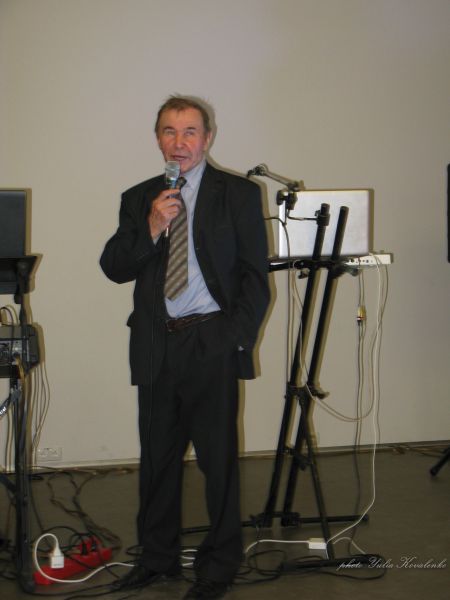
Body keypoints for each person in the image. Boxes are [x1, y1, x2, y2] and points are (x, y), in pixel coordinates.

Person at [100, 95, 270, 600]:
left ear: (208, 137)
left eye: (190, 131)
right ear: (158, 139)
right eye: (170, 132)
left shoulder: (237, 194)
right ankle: (157, 559)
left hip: (209, 340)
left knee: (218, 463)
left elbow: (254, 278)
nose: (180, 142)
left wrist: (232, 337)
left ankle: (218, 567)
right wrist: (153, 227)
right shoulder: (139, 198)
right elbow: (114, 266)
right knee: (157, 461)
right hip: (156, 343)